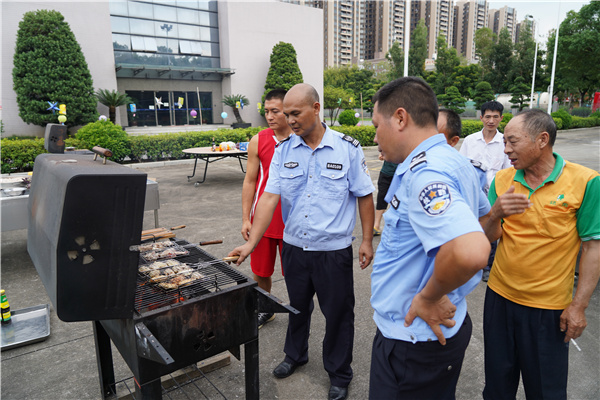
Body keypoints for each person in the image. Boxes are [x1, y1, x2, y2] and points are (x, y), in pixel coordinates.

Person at [229, 83, 375, 400]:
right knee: (296, 308)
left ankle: (339, 373)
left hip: (332, 251)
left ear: (316, 108)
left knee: (338, 313)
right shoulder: (284, 151)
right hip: (295, 247)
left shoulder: (347, 148)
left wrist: (366, 240)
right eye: (287, 114)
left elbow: (364, 195)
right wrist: (252, 242)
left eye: (296, 113)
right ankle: (295, 355)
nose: (290, 120)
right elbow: (268, 198)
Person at [368, 77, 491, 399]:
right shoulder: (454, 160)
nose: (375, 135)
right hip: (434, 333)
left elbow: (471, 250)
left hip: (414, 341)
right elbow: (488, 223)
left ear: (399, 118)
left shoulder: (426, 174)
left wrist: (428, 296)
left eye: (376, 125)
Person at [481, 108, 600, 400]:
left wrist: (579, 306)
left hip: (549, 309)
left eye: (512, 141)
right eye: (504, 142)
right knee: (497, 388)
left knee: (546, 391)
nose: (506, 149)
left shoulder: (585, 182)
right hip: (499, 299)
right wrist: (495, 212)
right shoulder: (502, 179)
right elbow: (486, 236)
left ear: (542, 140)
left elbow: (593, 248)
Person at [241, 89, 291, 329]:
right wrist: (245, 218)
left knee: (296, 273)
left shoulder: (302, 138)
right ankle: (265, 308)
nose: (269, 116)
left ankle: (298, 312)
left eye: (275, 111)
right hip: (263, 218)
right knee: (261, 271)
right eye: (267, 111)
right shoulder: (258, 140)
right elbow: (250, 180)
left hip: (293, 221)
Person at [459, 101, 509, 281]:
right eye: (487, 116)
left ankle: (487, 265)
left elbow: (508, 169)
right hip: (471, 193)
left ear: (501, 118)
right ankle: (469, 262)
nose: (491, 120)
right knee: (470, 228)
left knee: (491, 227)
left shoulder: (505, 142)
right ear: (481, 118)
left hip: (494, 194)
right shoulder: (470, 141)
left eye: (496, 117)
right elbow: (461, 165)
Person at [438, 108, 488, 195]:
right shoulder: (414, 166)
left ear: (453, 141)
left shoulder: (474, 171)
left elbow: (484, 207)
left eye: (436, 138)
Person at [372, 157, 398, 236]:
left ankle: (393, 226)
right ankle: (376, 225)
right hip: (386, 172)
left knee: (397, 200)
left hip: (400, 173)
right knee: (381, 197)